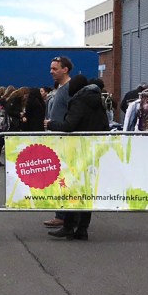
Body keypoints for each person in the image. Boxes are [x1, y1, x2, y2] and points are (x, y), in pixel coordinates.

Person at [46, 75, 109, 239]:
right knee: (87, 190)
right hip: (93, 149)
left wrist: (51, 124)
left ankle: (68, 225)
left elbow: (69, 125)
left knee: (71, 188)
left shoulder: (78, 101)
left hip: (76, 149)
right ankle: (82, 229)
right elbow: (105, 126)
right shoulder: (98, 101)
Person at [42, 57, 74, 230]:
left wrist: (55, 124)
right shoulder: (59, 89)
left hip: (65, 140)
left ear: (65, 69)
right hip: (56, 137)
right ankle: (61, 214)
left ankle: (64, 215)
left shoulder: (69, 89)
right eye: (51, 68)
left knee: (64, 178)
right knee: (58, 177)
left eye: (55, 68)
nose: (51, 71)